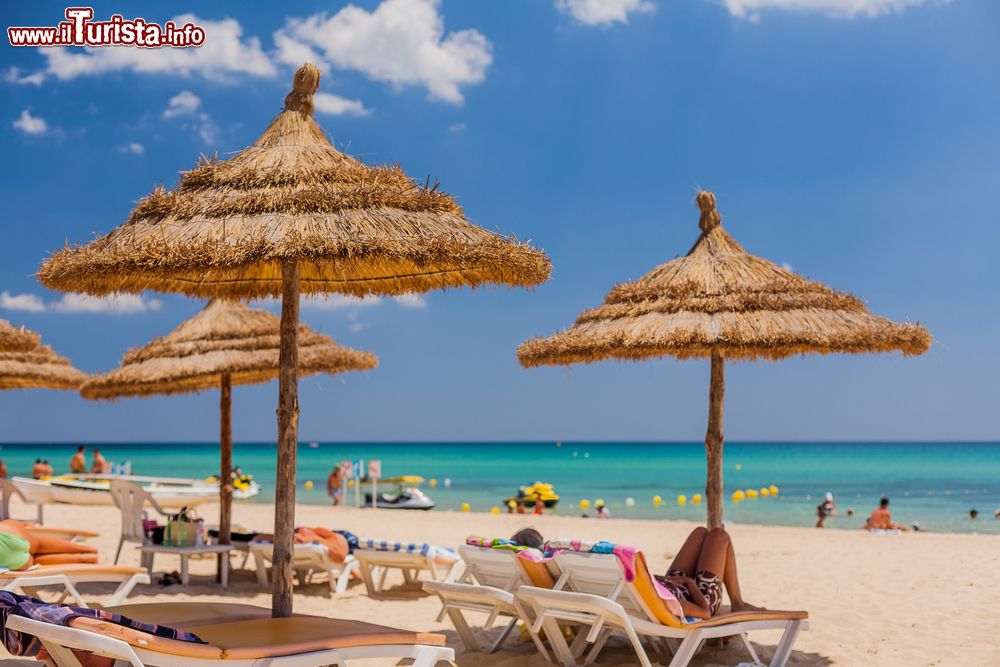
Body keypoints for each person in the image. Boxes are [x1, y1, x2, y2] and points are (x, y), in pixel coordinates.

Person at [655, 527, 764, 620]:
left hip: (670, 585)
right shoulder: (668, 603)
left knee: (700, 532)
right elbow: (704, 612)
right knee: (720, 535)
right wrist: (689, 582)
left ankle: (737, 602)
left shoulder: (641, 589)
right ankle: (737, 603)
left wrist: (661, 579)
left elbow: (648, 578)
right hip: (701, 598)